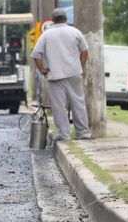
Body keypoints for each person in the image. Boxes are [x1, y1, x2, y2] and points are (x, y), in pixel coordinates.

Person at [30, 8, 92, 141]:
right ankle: (83, 133)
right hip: (74, 74)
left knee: (59, 106)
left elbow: (36, 55)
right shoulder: (75, 32)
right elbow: (85, 52)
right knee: (78, 103)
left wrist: (43, 70)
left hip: (55, 76)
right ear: (66, 19)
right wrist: (80, 66)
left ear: (53, 20)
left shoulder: (47, 34)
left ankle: (64, 134)